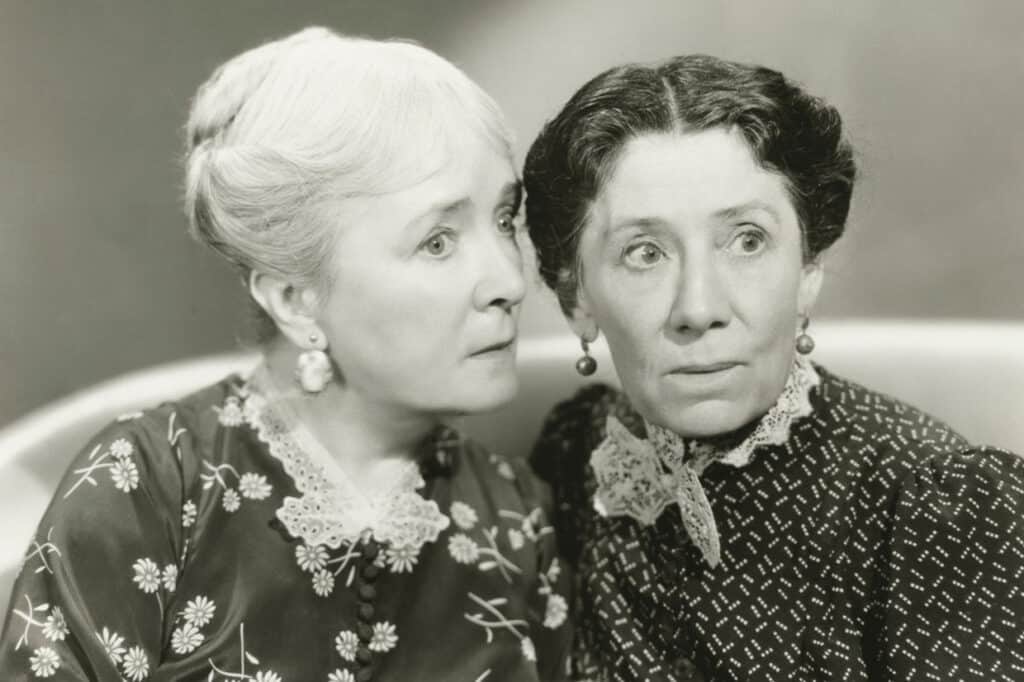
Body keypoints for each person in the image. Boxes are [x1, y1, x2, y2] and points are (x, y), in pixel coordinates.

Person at [0, 27, 569, 681]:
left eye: (504, 220)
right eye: (437, 241)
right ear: (296, 301)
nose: (509, 281)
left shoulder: (515, 516)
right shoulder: (149, 490)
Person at [523, 54, 1024, 681]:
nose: (699, 309)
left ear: (807, 271)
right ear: (577, 298)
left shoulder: (935, 509)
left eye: (747, 241)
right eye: (644, 253)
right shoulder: (578, 458)